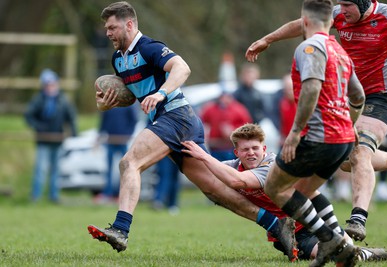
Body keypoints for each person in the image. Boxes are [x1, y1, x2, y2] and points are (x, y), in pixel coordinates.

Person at [87, 1, 291, 253]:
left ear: (129, 24)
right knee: (216, 190)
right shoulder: (118, 59)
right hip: (172, 123)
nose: (108, 33)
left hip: (176, 116)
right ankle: (276, 223)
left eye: (112, 27)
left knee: (129, 163)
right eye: (107, 28)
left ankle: (120, 229)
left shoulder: (149, 47)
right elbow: (129, 94)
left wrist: (161, 93)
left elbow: (182, 68)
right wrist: (105, 104)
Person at [245, 0, 387, 242]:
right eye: (340, 4)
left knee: (359, 152)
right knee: (348, 161)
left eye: (348, 5)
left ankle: (357, 219)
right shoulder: (337, 16)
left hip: (383, 97)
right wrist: (269, 39)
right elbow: (300, 24)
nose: (342, 10)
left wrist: (297, 131)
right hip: (353, 95)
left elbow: (312, 86)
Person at [253, 0, 366, 266]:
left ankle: (329, 239)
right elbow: (358, 96)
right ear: (331, 22)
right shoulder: (340, 51)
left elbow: (311, 89)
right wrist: (350, 124)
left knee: (274, 187)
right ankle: (340, 246)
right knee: (304, 190)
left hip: (319, 136)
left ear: (304, 22)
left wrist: (294, 133)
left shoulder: (310, 46)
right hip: (342, 140)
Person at [182, 124, 387, 263]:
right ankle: (361, 252)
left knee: (340, 252)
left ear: (264, 149)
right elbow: (213, 175)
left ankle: (362, 251)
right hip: (289, 234)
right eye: (245, 150)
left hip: (312, 217)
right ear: (237, 153)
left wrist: (203, 155)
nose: (251, 153)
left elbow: (237, 182)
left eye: (255, 148)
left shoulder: (271, 164)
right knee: (334, 256)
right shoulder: (233, 166)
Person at [24, 68, 77, 203]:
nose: (50, 87)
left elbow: (71, 117)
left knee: (56, 170)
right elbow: (28, 116)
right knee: (41, 169)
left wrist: (73, 132)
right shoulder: (39, 100)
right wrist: (39, 127)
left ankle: (54, 197)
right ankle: (36, 196)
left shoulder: (63, 100)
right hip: (43, 140)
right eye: (47, 84)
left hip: (57, 140)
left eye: (52, 84)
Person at [95, 105, 138, 204]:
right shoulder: (108, 105)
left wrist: (127, 135)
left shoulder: (128, 105)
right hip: (110, 141)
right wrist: (100, 134)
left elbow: (133, 121)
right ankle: (108, 193)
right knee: (109, 169)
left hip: (122, 141)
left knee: (125, 169)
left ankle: (122, 194)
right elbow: (103, 121)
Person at [200, 91, 252, 161]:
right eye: (222, 97)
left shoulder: (239, 109)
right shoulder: (210, 109)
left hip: (233, 147)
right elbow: (202, 122)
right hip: (215, 147)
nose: (224, 100)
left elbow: (248, 127)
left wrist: (234, 130)